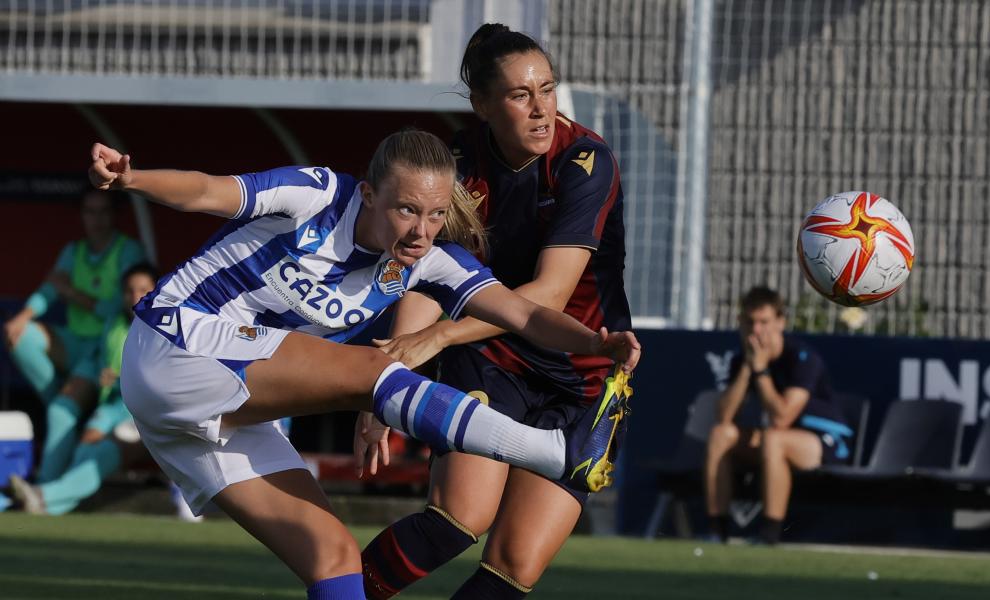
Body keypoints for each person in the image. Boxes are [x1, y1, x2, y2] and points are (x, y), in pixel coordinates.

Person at [85, 129, 639, 600]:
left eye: (437, 214)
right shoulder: (317, 195)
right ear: (370, 194)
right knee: (371, 371)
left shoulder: (432, 261)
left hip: (214, 402)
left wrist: (595, 341)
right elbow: (207, 190)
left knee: (335, 558)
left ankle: (550, 453)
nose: (422, 231)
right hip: (172, 344)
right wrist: (132, 179)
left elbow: (523, 313)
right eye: (407, 210)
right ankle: (550, 453)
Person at [358, 23, 632, 600]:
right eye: (519, 95)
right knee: (458, 517)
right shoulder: (457, 165)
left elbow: (549, 295)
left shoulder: (586, 162)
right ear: (482, 104)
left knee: (514, 565)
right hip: (494, 356)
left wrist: (441, 337)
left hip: (582, 377)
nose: (541, 110)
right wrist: (389, 380)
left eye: (548, 89)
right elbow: (426, 279)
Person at [2, 189, 145, 489]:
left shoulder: (128, 250)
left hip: (110, 351)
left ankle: (48, 490)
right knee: (23, 338)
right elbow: (50, 289)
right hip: (78, 349)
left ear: (114, 214)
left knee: (78, 420)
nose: (97, 219)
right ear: (81, 216)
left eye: (103, 211)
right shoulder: (74, 251)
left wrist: (72, 293)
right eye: (90, 212)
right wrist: (24, 315)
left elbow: (121, 308)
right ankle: (47, 485)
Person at [704, 286, 853, 545]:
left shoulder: (802, 358)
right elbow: (725, 416)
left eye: (764, 322)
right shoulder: (743, 360)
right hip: (779, 438)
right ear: (740, 323)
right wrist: (748, 370)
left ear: (780, 323)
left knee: (775, 438)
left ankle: (769, 536)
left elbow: (783, 417)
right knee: (721, 435)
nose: (756, 330)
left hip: (826, 441)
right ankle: (718, 533)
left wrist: (761, 372)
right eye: (750, 322)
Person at [6, 263, 157, 515]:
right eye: (129, 290)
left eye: (143, 289)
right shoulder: (113, 322)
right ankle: (45, 499)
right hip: (112, 406)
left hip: (143, 411)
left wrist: (120, 378)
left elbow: (163, 382)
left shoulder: (164, 326)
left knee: (107, 450)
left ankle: (42, 497)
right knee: (87, 444)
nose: (135, 296)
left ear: (156, 290)